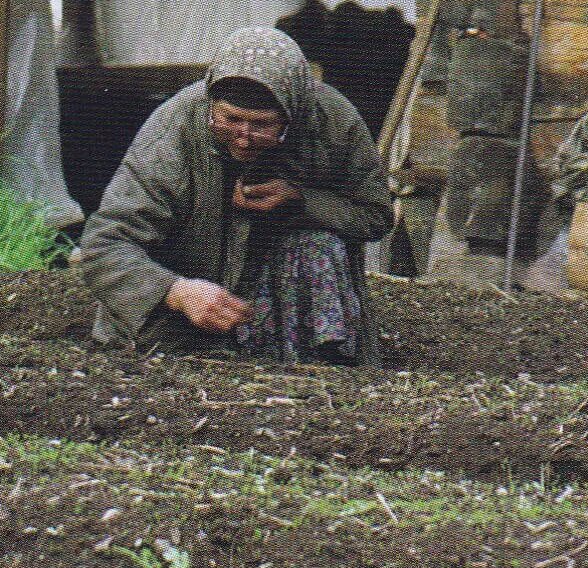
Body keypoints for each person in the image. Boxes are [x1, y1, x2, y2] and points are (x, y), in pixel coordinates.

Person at [78, 27, 392, 363]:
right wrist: (175, 291)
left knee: (316, 243)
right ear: (211, 104)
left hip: (275, 302)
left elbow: (375, 215)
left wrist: (302, 202)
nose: (243, 138)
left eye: (262, 125)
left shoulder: (333, 123)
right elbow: (104, 244)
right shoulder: (174, 133)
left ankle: (321, 360)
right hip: (179, 318)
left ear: (293, 115)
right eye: (230, 120)